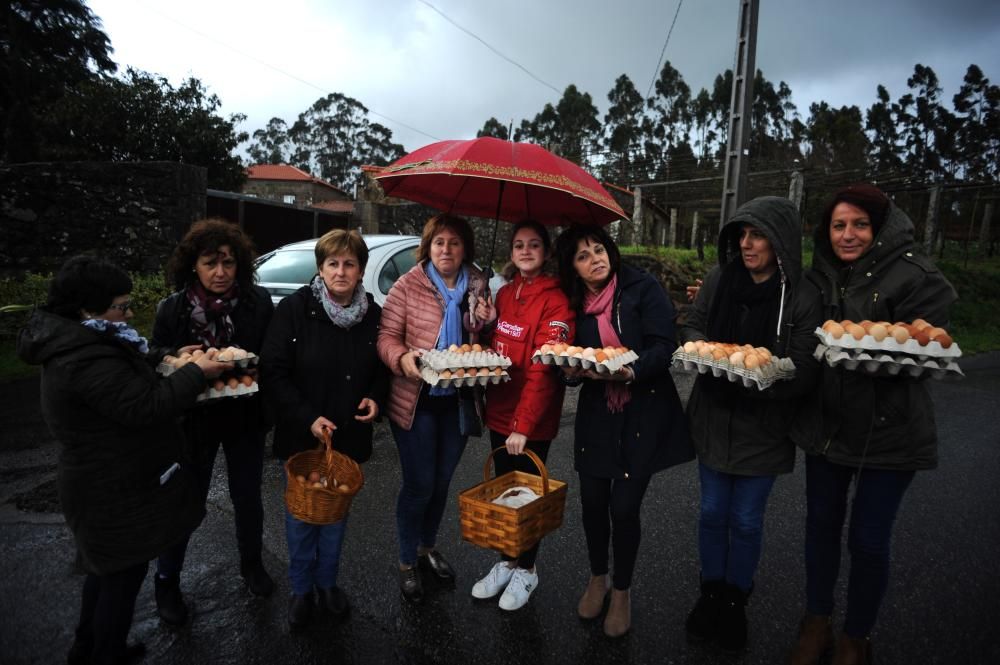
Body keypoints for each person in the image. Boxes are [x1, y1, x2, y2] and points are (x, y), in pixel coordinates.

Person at [16, 256, 230, 665]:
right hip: (108, 489)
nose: (129, 313)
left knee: (105, 571)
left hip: (106, 481)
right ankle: (106, 653)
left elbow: (124, 369)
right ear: (87, 309)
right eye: (121, 306)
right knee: (122, 578)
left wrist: (167, 356)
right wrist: (195, 373)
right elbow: (145, 407)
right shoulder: (82, 357)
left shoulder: (81, 339)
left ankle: (88, 647)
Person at [786, 184, 958, 665]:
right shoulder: (816, 276)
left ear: (879, 228)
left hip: (891, 430)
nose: (848, 234)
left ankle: (856, 637)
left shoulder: (916, 276)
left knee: (868, 537)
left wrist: (883, 357)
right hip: (826, 424)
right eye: (839, 225)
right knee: (820, 526)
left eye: (860, 224)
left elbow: (929, 349)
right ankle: (816, 622)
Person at [677, 197, 823, 652]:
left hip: (765, 424)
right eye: (741, 235)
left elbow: (804, 365)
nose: (746, 244)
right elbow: (694, 326)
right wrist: (707, 354)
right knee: (712, 512)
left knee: (744, 519)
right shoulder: (720, 280)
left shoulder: (801, 294)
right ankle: (711, 592)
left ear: (780, 242)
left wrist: (762, 378)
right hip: (714, 415)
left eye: (757, 235)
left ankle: (737, 599)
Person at [555, 224, 694, 637]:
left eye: (599, 249)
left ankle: (621, 590)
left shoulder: (641, 286)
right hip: (598, 413)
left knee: (624, 508)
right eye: (583, 255)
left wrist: (631, 370)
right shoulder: (575, 301)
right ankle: (597, 577)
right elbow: (573, 356)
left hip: (643, 410)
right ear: (573, 268)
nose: (595, 258)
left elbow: (664, 345)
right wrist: (571, 373)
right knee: (594, 503)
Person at [261, 229, 389, 629]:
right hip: (304, 435)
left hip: (347, 435)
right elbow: (273, 371)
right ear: (320, 268)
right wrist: (306, 417)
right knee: (302, 516)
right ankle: (301, 590)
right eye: (332, 263)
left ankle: (328, 583)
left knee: (334, 515)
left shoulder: (374, 314)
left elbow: (383, 368)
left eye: (349, 264)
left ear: (361, 270)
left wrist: (375, 397)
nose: (341, 271)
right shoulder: (295, 310)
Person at [151, 219, 276, 626]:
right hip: (194, 419)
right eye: (210, 263)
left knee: (247, 497)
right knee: (186, 500)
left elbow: (271, 355)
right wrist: (172, 354)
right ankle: (167, 581)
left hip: (244, 414)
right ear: (193, 266)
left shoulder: (257, 303)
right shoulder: (174, 308)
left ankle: (252, 565)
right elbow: (154, 353)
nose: (220, 272)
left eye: (228, 262)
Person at [377, 214, 489, 603]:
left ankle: (427, 547)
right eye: (439, 242)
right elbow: (387, 337)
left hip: (459, 398)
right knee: (419, 483)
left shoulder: (478, 286)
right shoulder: (408, 286)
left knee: (441, 482)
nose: (447, 249)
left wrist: (487, 322)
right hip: (417, 399)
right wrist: (402, 358)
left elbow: (482, 344)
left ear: (465, 249)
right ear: (428, 247)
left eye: (455, 243)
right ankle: (408, 561)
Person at [470, 220, 575, 611]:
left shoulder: (557, 300)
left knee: (529, 499)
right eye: (518, 245)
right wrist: (488, 321)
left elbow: (543, 368)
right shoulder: (507, 292)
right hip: (499, 410)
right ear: (511, 253)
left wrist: (523, 427)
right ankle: (507, 561)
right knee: (504, 492)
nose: (525, 251)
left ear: (546, 253)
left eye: (534, 245)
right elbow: (499, 348)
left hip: (530, 419)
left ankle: (527, 570)